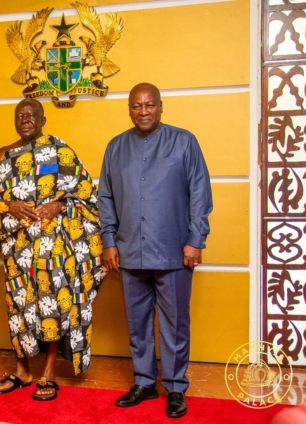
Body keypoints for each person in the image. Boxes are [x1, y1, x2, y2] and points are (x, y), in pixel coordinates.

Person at [98, 82, 213, 418]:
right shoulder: (115, 147)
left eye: (150, 105)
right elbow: (105, 197)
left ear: (161, 107)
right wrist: (109, 241)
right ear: (129, 110)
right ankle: (145, 382)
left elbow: (200, 193)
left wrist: (195, 240)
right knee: (137, 323)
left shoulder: (184, 142)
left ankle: (175, 387)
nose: (143, 111)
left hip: (174, 251)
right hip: (129, 250)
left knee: (175, 324)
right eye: (137, 106)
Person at [0, 98, 106, 401]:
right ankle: (22, 370)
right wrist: (8, 205)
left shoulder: (62, 152)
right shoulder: (3, 154)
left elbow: (88, 195)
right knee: (18, 304)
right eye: (19, 115)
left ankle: (48, 372)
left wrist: (59, 205)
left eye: (31, 115)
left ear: (43, 120)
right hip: (18, 246)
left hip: (53, 245)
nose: (25, 120)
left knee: (51, 305)